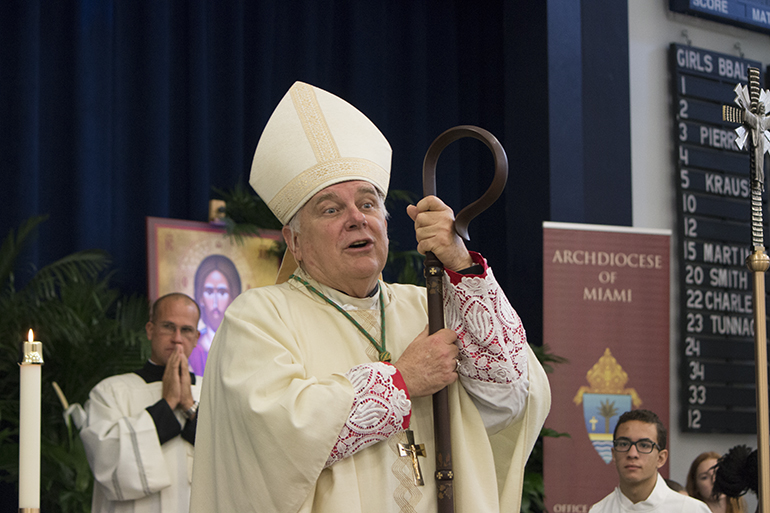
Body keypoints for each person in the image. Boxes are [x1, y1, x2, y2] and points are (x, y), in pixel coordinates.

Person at [189, 81, 551, 513]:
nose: (356, 219)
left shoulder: (428, 305)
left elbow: (509, 393)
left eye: (368, 203)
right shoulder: (260, 317)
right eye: (330, 209)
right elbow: (277, 433)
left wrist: (460, 265)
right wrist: (400, 381)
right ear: (294, 241)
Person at [80, 293, 202, 513]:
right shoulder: (111, 391)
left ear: (196, 337)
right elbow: (106, 459)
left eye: (186, 330)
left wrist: (189, 407)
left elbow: (236, 458)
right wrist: (167, 404)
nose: (177, 338)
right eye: (168, 326)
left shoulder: (214, 391)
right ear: (150, 330)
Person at [590, 409, 711, 513]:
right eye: (623, 444)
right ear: (614, 454)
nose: (632, 454)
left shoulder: (690, 510)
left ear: (661, 458)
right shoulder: (599, 511)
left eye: (644, 445)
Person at [188, 254, 241, 374]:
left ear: (232, 297)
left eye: (222, 292)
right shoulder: (192, 348)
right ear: (200, 297)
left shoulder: (243, 345)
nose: (215, 302)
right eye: (209, 291)